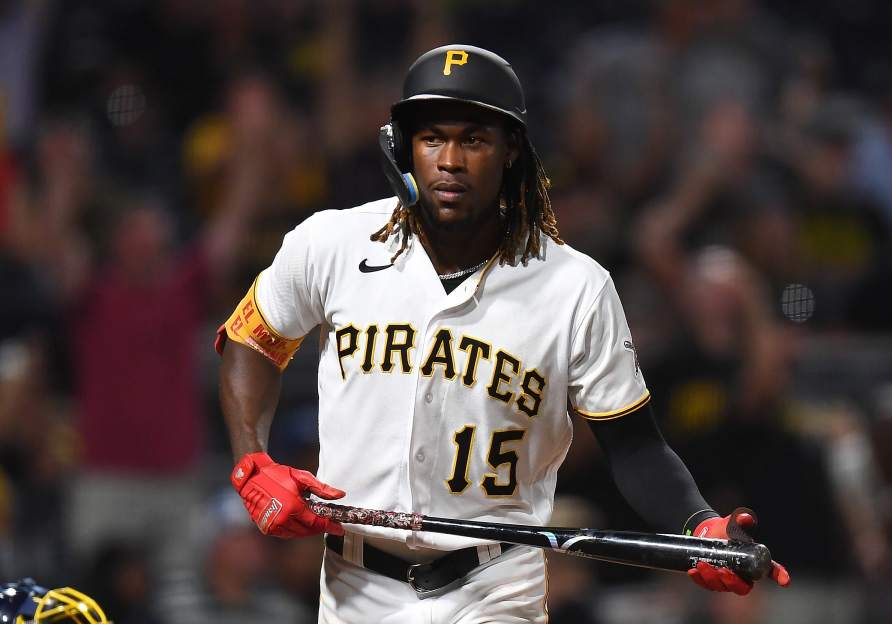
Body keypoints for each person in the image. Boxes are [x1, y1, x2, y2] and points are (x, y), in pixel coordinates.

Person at [217, 45, 790, 623]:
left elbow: (635, 446)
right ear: (403, 148)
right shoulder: (332, 244)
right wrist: (252, 462)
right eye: (432, 137)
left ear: (511, 150)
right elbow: (249, 341)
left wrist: (700, 526)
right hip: (351, 586)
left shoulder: (575, 286)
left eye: (474, 139)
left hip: (493, 586)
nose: (450, 159)